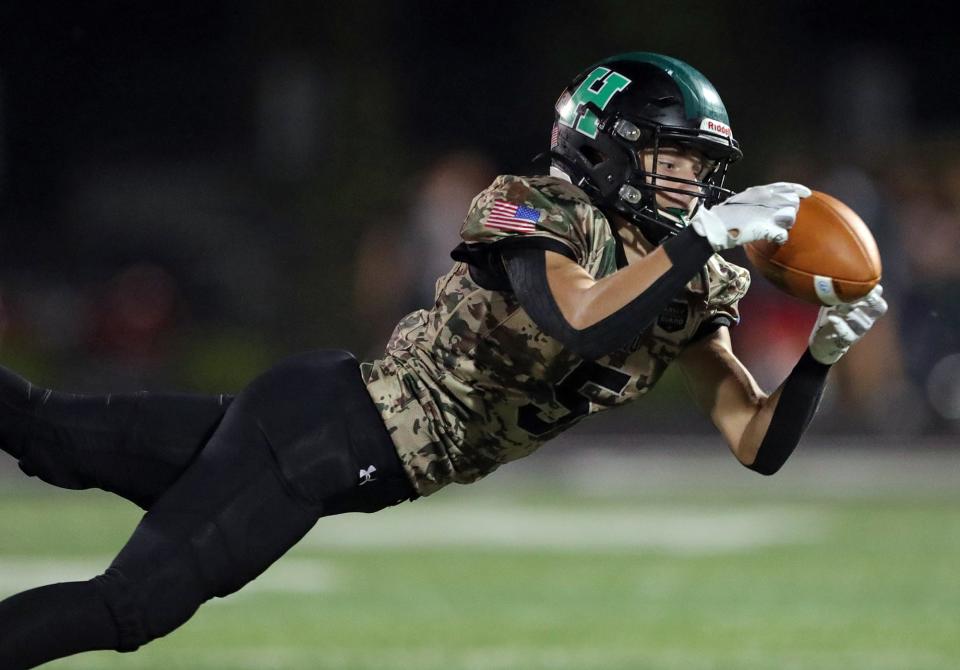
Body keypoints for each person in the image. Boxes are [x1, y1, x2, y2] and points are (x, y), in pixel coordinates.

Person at [0, 52, 886, 668]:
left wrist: (818, 357)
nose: (694, 184)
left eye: (702, 166)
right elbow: (579, 319)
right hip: (320, 435)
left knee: (45, 433)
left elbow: (752, 439)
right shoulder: (537, 203)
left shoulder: (689, 284)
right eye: (675, 158)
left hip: (323, 439)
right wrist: (695, 243)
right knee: (129, 608)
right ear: (608, 145)